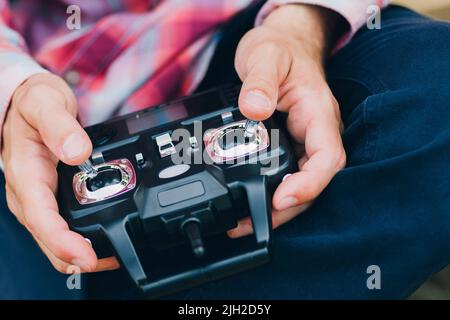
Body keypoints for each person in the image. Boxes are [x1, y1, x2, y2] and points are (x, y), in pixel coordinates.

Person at [0, 0, 449, 299]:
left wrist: (300, 25)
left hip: (254, 46)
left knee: (438, 88)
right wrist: (14, 94)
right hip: (37, 122)